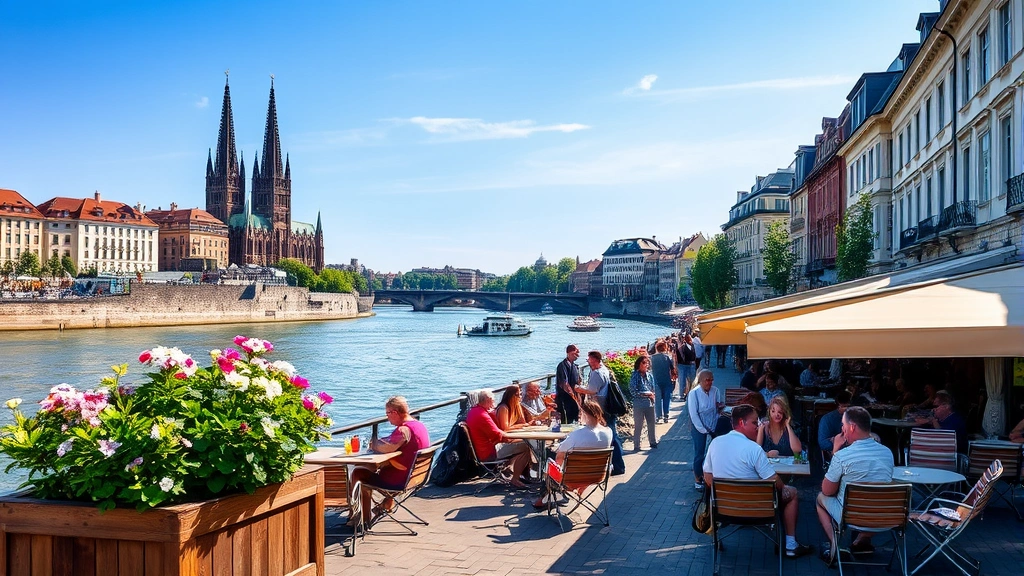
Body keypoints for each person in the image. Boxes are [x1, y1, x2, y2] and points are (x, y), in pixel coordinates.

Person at [703, 404, 812, 558]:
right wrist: (784, 487)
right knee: (792, 492)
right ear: (742, 423)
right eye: (755, 423)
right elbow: (774, 480)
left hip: (724, 509)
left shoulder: (715, 444)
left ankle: (717, 540)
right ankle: (790, 545)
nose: (758, 426)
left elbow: (707, 477)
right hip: (758, 509)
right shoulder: (753, 449)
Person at [816, 406, 894, 564]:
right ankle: (861, 540)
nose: (842, 430)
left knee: (820, 498)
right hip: (885, 516)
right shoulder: (887, 452)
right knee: (873, 500)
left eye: (843, 426)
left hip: (852, 516)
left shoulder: (843, 456)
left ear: (852, 427)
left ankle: (835, 545)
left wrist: (836, 449)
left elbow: (827, 490)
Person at [350, 396, 430, 523]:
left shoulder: (404, 429)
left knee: (358, 473)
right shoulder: (419, 425)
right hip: (416, 476)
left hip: (400, 480)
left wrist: (373, 444)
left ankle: (359, 517)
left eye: (387, 413)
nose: (387, 417)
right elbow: (394, 443)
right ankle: (387, 503)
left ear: (394, 412)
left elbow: (386, 448)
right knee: (372, 467)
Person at [532, 398, 612, 509]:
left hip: (572, 478)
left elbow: (560, 452)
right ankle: (578, 488)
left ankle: (544, 498)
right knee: (565, 458)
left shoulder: (578, 434)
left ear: (584, 414)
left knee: (551, 457)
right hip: (597, 475)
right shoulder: (608, 432)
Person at [465, 389, 534, 488]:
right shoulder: (483, 415)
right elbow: (499, 434)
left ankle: (516, 474)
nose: (494, 402)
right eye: (493, 400)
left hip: (481, 450)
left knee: (523, 444)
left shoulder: (474, 411)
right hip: (488, 453)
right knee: (526, 446)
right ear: (488, 400)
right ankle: (515, 479)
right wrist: (522, 437)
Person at [576, 350, 625, 475]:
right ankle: (616, 465)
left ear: (596, 361)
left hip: (602, 409)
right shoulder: (604, 370)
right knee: (613, 435)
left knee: (611, 436)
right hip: (608, 407)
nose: (589, 364)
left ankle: (618, 466)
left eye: (590, 361)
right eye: (589, 361)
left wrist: (578, 389)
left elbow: (592, 390)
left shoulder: (597, 373)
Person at [687, 369, 724, 491]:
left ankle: (713, 476)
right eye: (708, 380)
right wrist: (703, 430)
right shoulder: (694, 394)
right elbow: (693, 415)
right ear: (701, 381)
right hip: (698, 426)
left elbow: (718, 408)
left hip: (713, 425)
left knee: (714, 452)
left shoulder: (716, 391)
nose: (710, 382)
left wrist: (720, 408)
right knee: (699, 453)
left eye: (712, 380)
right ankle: (698, 479)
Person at [629, 355, 658, 451]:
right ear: (639, 364)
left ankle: (653, 442)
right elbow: (633, 391)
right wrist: (646, 394)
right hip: (639, 404)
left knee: (651, 423)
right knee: (638, 425)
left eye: (647, 363)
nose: (647, 365)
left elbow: (653, 388)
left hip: (650, 403)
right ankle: (636, 445)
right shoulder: (635, 375)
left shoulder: (650, 375)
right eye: (644, 363)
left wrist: (652, 395)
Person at [817, 391, 852, 458]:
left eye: (848, 406)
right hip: (837, 454)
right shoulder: (827, 419)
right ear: (838, 406)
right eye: (844, 406)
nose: (847, 409)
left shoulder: (856, 418)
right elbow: (823, 443)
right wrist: (840, 443)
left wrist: (835, 440)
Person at [650, 341, 676, 424]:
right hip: (666, 380)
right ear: (665, 348)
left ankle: (658, 416)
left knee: (657, 399)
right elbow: (672, 369)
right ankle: (666, 415)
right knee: (666, 398)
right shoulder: (667, 357)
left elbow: (649, 369)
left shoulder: (652, 358)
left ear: (656, 348)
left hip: (656, 380)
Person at [555, 344, 582, 423]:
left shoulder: (575, 366)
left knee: (575, 419)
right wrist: (573, 396)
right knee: (567, 420)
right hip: (565, 398)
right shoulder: (562, 366)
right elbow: (564, 383)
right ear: (569, 353)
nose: (578, 355)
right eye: (576, 353)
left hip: (574, 398)